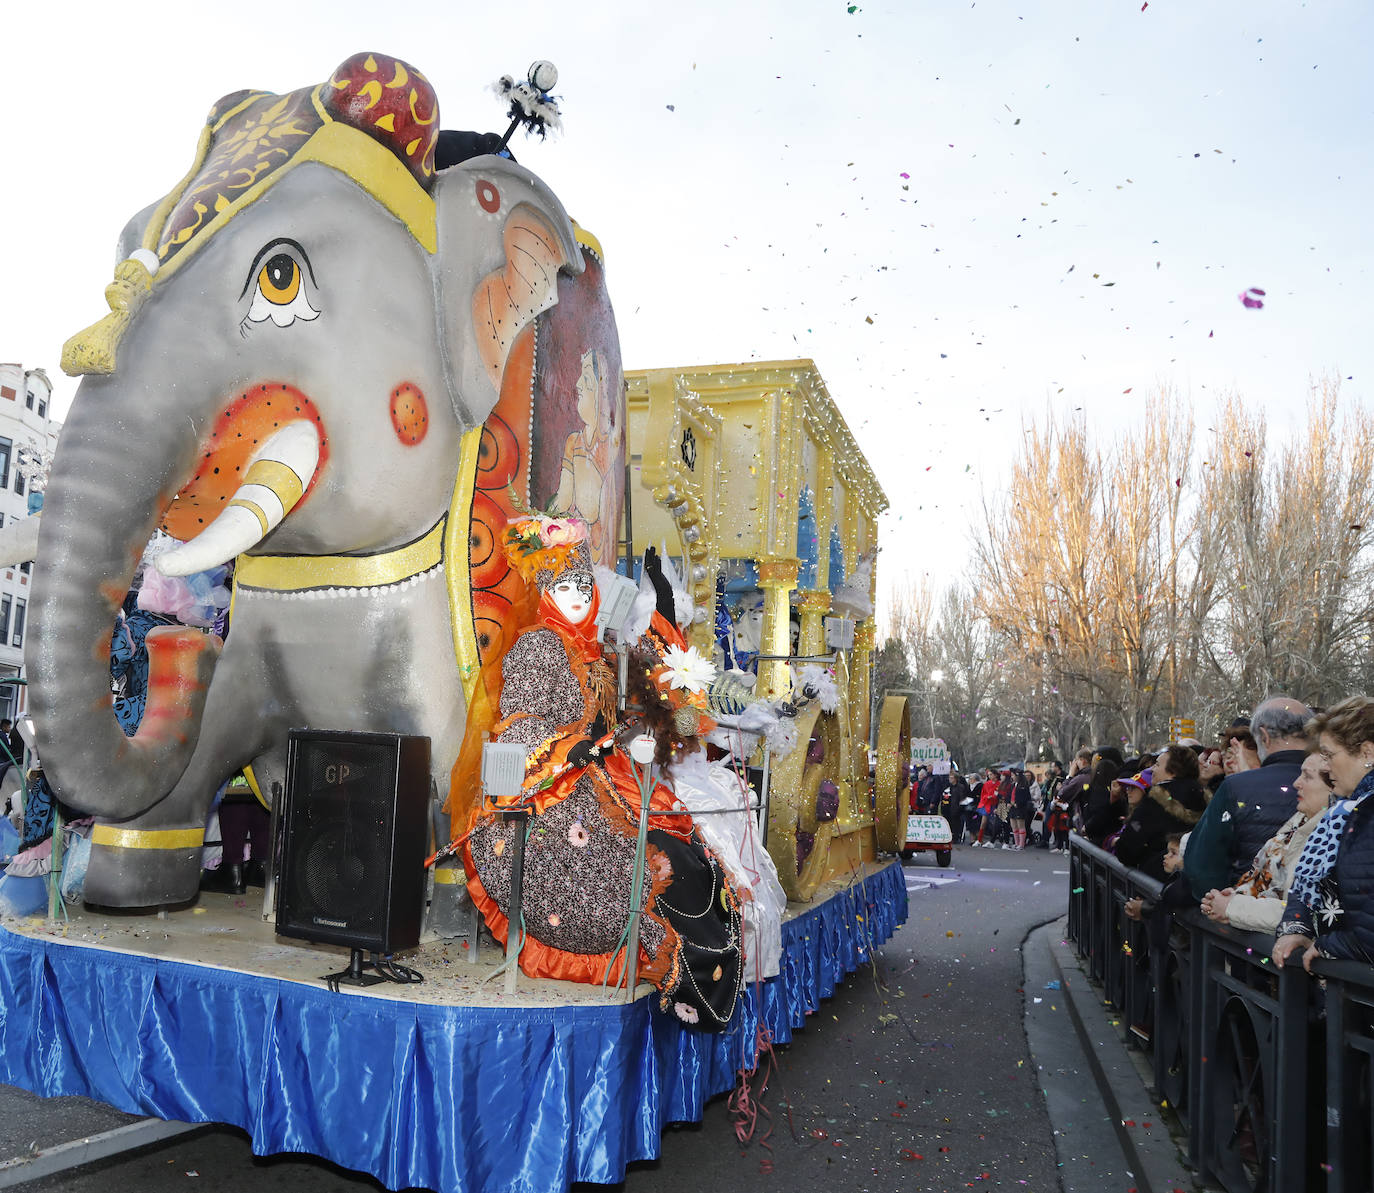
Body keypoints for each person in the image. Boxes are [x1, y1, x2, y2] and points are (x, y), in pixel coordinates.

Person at [1275, 697, 1374, 970]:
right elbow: (1309, 885)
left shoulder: (1362, 812)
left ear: (1367, 753)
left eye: (1330, 755)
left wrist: (1330, 946)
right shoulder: (1345, 811)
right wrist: (1297, 927)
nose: (1326, 767)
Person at [1184, 697, 1310, 900]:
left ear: (1264, 736)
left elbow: (1201, 864)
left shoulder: (1236, 787)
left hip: (1245, 914)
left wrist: (1221, 904)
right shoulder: (1336, 781)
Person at [1200, 751, 1333, 932]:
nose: (1296, 783)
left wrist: (1234, 908)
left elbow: (1309, 915)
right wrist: (1234, 896)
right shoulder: (1296, 824)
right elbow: (1268, 882)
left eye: (1307, 777)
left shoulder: (1332, 838)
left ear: (1334, 787)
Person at [1113, 750, 1207, 881]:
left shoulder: (1156, 800)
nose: (1152, 770)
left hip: (1155, 878)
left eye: (1157, 765)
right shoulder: (1204, 796)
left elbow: (1128, 847)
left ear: (1173, 771)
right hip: (1191, 880)